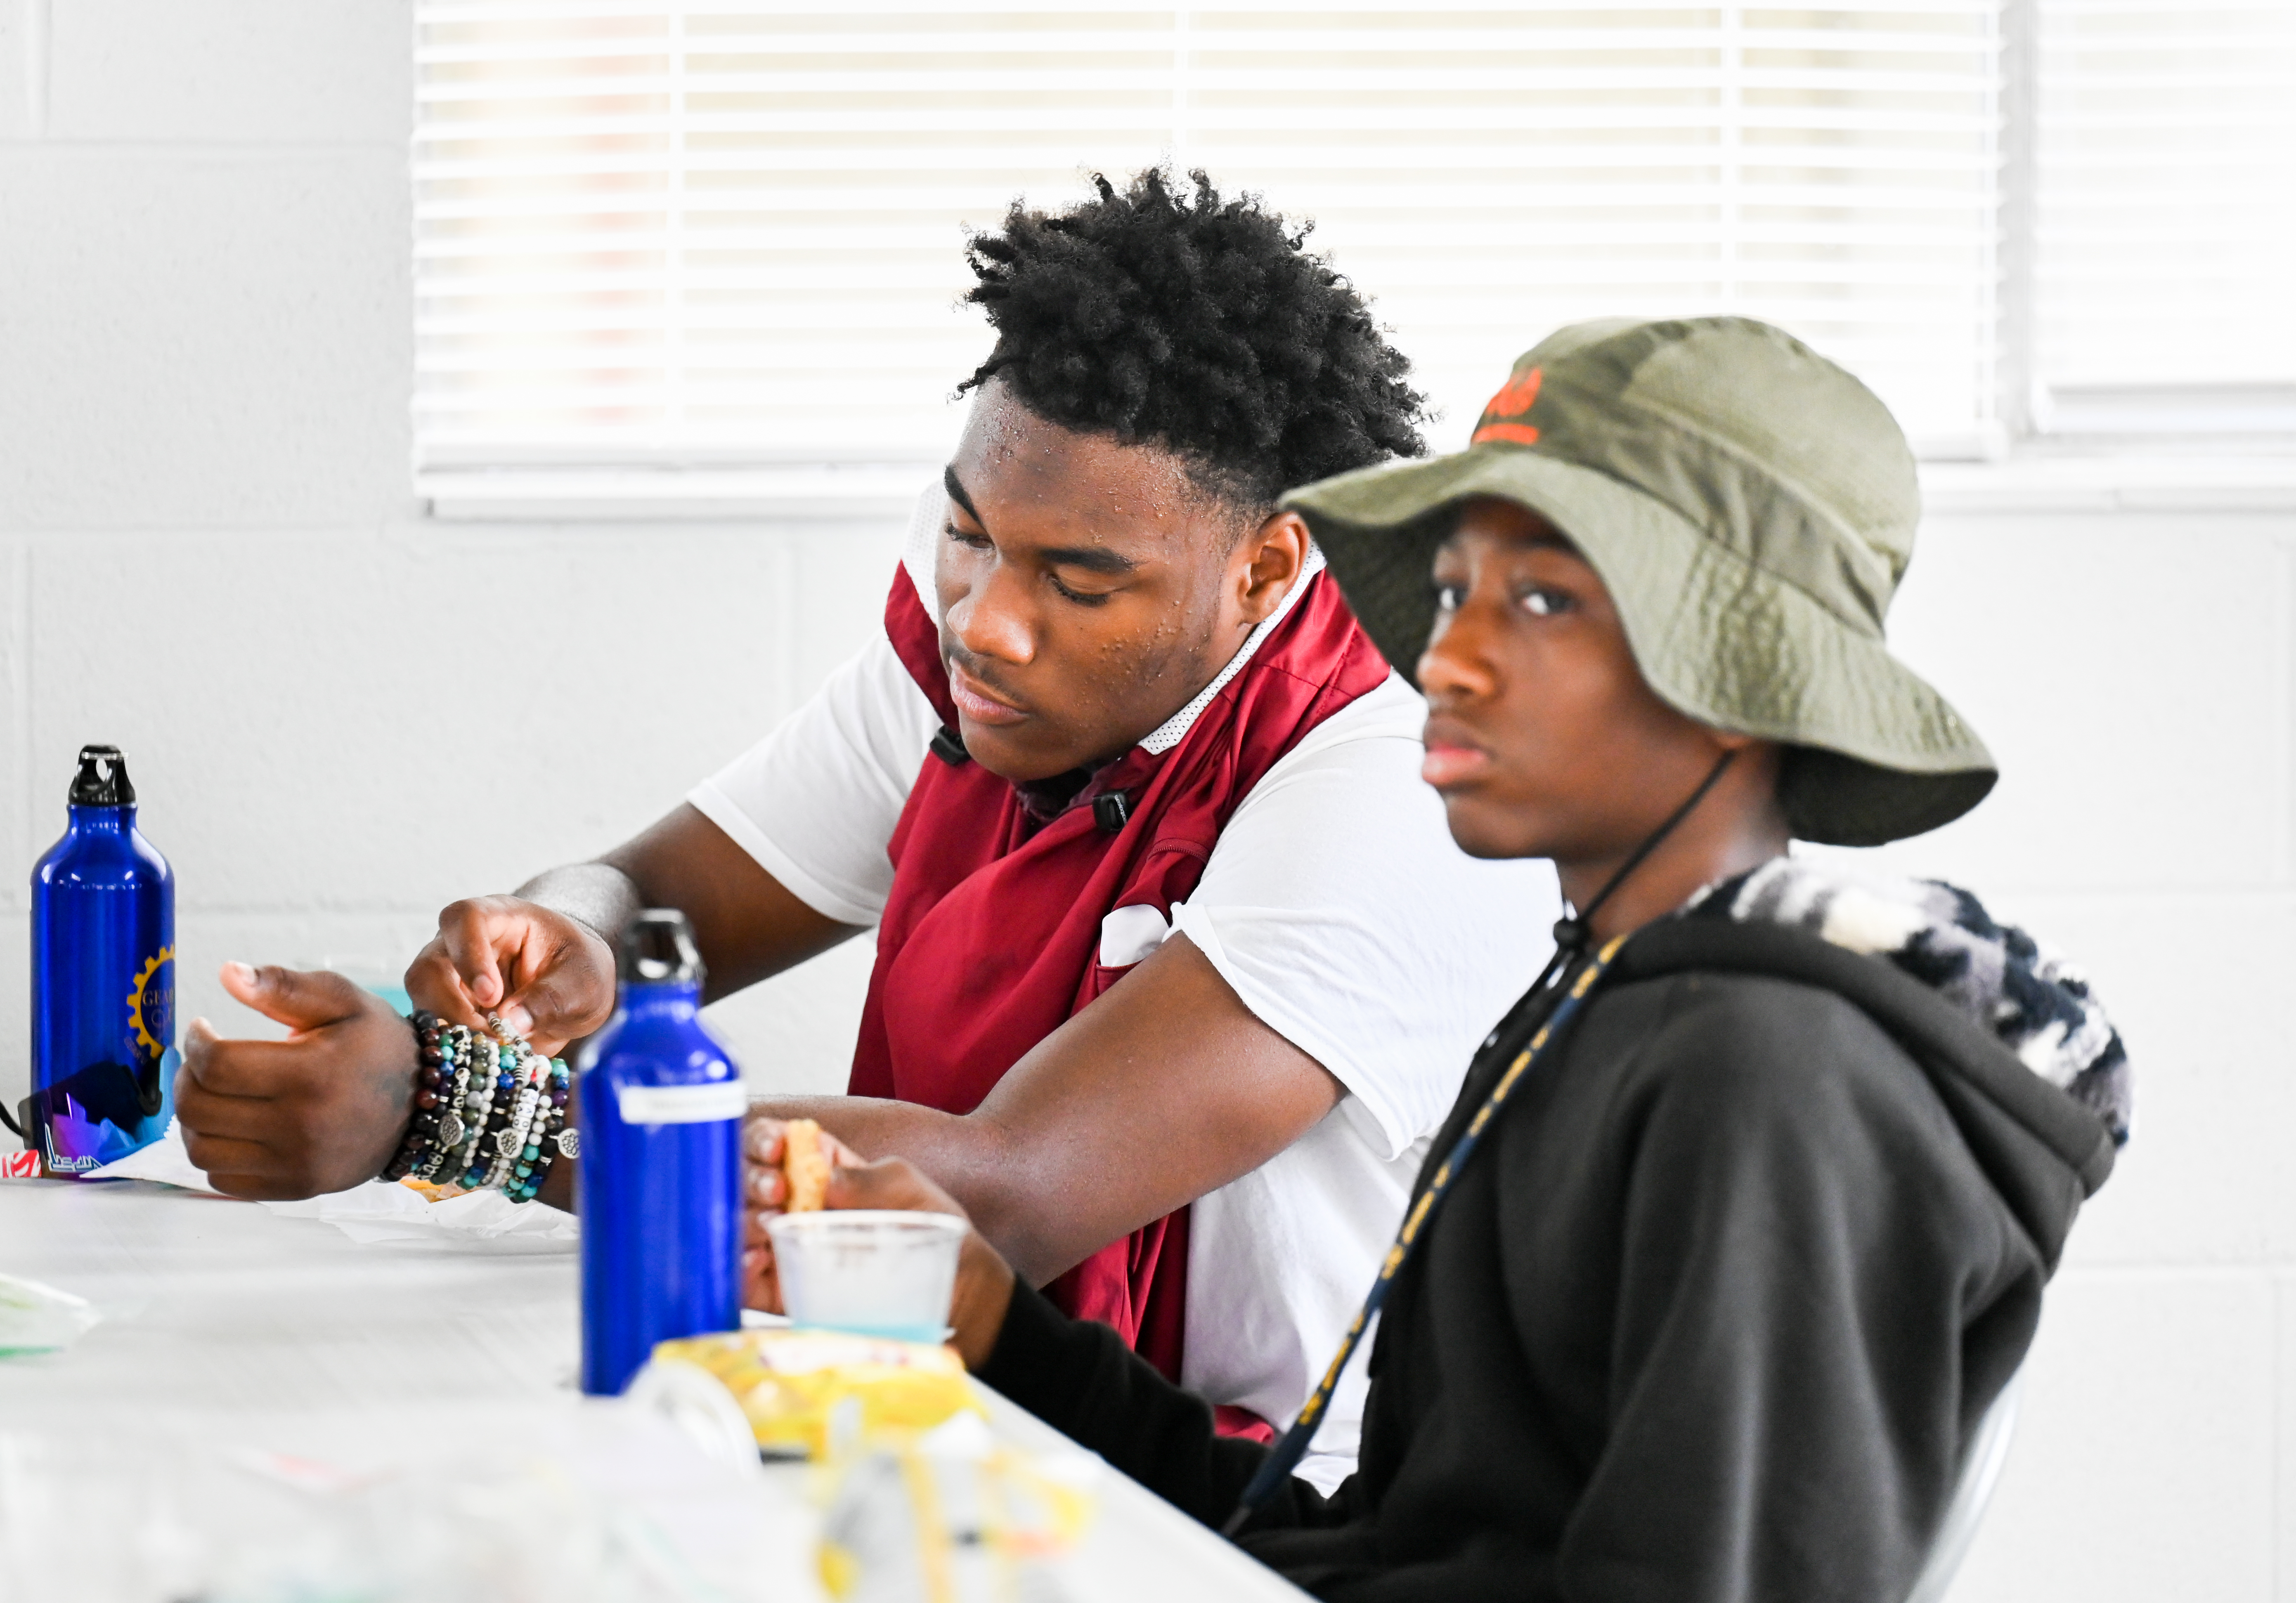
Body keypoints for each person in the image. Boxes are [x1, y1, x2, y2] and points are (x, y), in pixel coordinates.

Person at [171, 169, 1556, 1487]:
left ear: (1265, 569)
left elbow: (1012, 1193)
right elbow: (657, 896)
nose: (985, 619)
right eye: (968, 535)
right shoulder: (984, 658)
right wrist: (561, 953)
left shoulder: (1394, 773)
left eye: (1080, 582)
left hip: (1263, 1506)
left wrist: (453, 1111)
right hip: (963, 1418)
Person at [742, 315, 2132, 1601]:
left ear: (1741, 671)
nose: (1445, 659)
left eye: (1539, 605)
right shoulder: (1592, 1007)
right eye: (1454, 589)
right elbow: (1388, 1552)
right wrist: (999, 1331)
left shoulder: (1763, 1078)